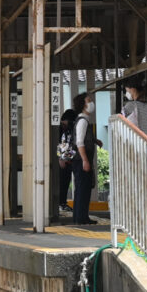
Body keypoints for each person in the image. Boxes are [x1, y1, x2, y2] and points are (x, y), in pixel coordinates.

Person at [71, 92, 98, 225]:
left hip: (80, 160)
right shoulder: (82, 121)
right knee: (83, 189)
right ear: (83, 105)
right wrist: (85, 161)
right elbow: (79, 142)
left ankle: (79, 217)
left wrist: (95, 140)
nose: (91, 103)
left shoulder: (83, 120)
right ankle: (81, 218)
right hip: (81, 160)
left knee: (82, 189)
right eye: (88, 101)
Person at [56, 103, 78, 215]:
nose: (66, 125)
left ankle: (62, 203)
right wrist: (60, 158)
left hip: (67, 159)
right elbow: (58, 144)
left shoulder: (70, 129)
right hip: (61, 160)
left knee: (65, 182)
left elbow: (72, 145)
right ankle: (60, 203)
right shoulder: (59, 130)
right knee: (61, 182)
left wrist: (68, 157)